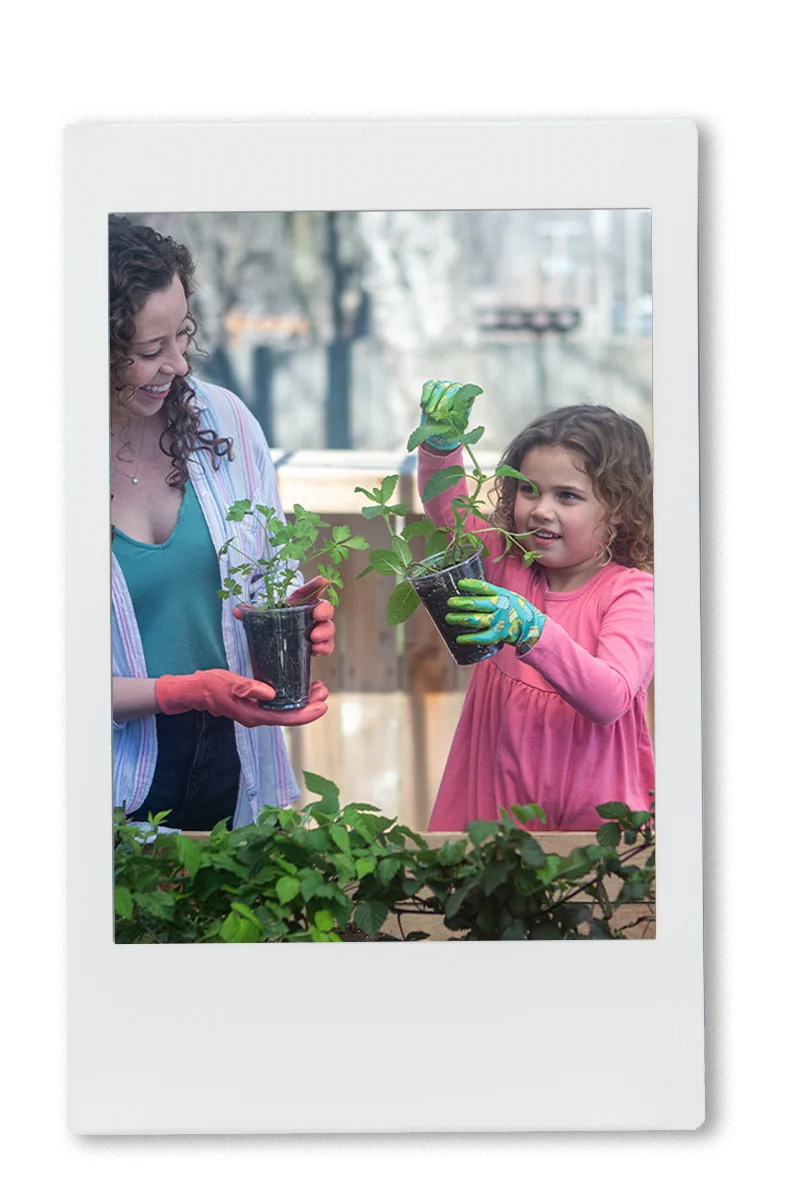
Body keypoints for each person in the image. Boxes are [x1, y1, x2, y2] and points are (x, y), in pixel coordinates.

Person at [110, 215, 334, 832]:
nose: (179, 365)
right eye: (151, 351)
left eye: (183, 335)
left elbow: (267, 572)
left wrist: (295, 612)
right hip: (105, 773)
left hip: (236, 749)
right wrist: (176, 693)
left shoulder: (224, 422)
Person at [416, 380, 654, 832]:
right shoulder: (508, 562)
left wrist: (532, 630)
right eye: (528, 490)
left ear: (619, 508)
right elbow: (449, 512)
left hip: (592, 824)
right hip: (494, 812)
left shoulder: (633, 593)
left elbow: (609, 698)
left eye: (567, 496)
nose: (542, 509)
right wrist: (440, 446)